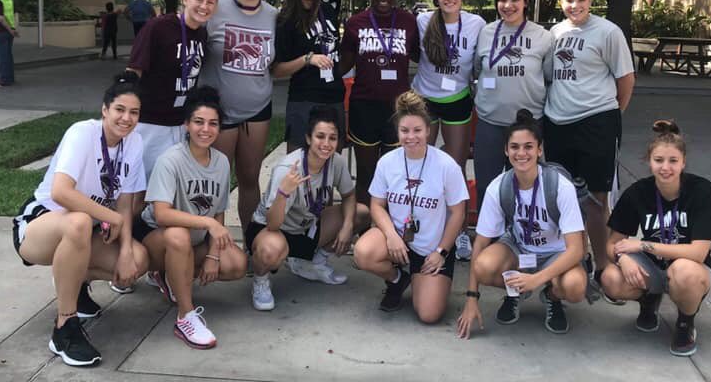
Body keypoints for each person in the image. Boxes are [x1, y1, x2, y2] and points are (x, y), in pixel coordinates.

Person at [11, 72, 149, 366]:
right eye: (119, 110)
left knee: (138, 260)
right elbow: (62, 192)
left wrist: (124, 251)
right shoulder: (82, 133)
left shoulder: (134, 143)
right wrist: (111, 216)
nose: (126, 118)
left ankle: (76, 284)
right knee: (80, 222)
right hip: (41, 223)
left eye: (134, 112)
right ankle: (65, 327)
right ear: (104, 109)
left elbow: (125, 204)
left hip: (87, 230)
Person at [544, 0, 635, 299]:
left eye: (581, 0)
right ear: (561, 2)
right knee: (562, 200)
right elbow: (549, 78)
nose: (575, 6)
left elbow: (625, 81)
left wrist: (609, 115)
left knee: (597, 200)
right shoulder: (554, 34)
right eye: (569, 1)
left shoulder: (608, 32)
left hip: (597, 124)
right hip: (558, 125)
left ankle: (601, 265)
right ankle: (570, 263)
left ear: (590, 1)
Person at [457, 110, 587, 338]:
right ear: (506, 151)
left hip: (556, 253)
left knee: (575, 287)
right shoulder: (499, 187)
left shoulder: (560, 186)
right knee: (483, 266)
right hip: (520, 248)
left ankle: (552, 296)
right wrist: (471, 298)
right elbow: (480, 244)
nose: (521, 153)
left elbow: (576, 249)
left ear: (539, 150)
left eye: (528, 146)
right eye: (515, 147)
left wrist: (537, 279)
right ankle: (515, 291)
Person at [134, 86, 247, 348]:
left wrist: (212, 256)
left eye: (213, 124)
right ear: (186, 125)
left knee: (236, 264)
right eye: (198, 122)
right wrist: (207, 223)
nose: (205, 129)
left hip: (193, 242)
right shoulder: (170, 160)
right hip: (156, 239)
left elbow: (218, 212)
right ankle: (185, 315)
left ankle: (170, 276)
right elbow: (162, 215)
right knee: (177, 234)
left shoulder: (221, 161)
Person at [600, 120, 711, 357]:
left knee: (684, 271)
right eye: (659, 160)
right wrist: (623, 258)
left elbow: (698, 253)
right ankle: (648, 300)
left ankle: (685, 324)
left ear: (683, 162)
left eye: (673, 161)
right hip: (652, 268)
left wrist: (643, 245)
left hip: (692, 269)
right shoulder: (638, 193)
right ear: (649, 161)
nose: (666, 167)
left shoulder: (702, 191)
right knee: (611, 278)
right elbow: (613, 243)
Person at [353, 91, 468, 323]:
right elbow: (376, 205)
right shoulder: (387, 162)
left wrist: (441, 252)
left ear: (428, 130)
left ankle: (421, 278)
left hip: (432, 247)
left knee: (428, 314)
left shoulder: (447, 166)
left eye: (417, 130)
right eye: (405, 131)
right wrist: (391, 236)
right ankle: (397, 279)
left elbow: (458, 213)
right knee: (363, 253)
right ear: (397, 132)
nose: (411, 137)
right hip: (398, 242)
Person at [246, 106, 370, 311]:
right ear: (308, 138)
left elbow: (348, 195)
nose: (326, 144)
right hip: (272, 229)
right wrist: (284, 193)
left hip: (306, 226)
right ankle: (261, 281)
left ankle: (309, 262)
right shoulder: (288, 169)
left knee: (362, 213)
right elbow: (272, 223)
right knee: (271, 250)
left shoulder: (336, 162)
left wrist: (347, 226)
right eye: (320, 136)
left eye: (332, 138)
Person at [199, 0, 278, 234]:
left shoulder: (272, 14)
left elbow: (275, 64)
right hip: (218, 112)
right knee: (215, 180)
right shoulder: (216, 5)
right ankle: (211, 242)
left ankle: (250, 241)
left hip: (258, 109)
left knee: (249, 178)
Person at [412, 0, 485, 260]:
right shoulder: (423, 21)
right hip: (425, 99)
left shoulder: (476, 24)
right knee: (421, 166)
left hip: (457, 99)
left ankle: (459, 232)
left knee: (454, 168)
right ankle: (421, 227)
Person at [127, 0, 219, 181]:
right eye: (199, 0)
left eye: (210, 2)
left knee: (170, 186)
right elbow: (133, 72)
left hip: (180, 123)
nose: (203, 6)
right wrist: (126, 113)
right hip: (151, 122)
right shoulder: (158, 27)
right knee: (141, 186)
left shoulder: (202, 33)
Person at [473, 0, 552, 216]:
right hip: (490, 122)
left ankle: (526, 238)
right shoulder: (485, 33)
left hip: (529, 124)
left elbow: (548, 76)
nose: (508, 6)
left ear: (526, 1)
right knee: (488, 187)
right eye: (502, 0)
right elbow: (478, 70)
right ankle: (490, 241)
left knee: (527, 188)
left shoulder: (543, 36)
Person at [338, 0, 419, 205]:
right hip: (364, 107)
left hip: (397, 109)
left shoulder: (408, 22)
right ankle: (365, 233)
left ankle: (392, 232)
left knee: (395, 177)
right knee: (366, 175)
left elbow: (422, 56)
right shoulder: (355, 23)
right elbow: (343, 65)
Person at [272, 0, 346, 152]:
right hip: (304, 100)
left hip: (334, 97)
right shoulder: (286, 19)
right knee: (299, 166)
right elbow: (277, 70)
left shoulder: (328, 11)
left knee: (330, 165)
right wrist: (307, 59)